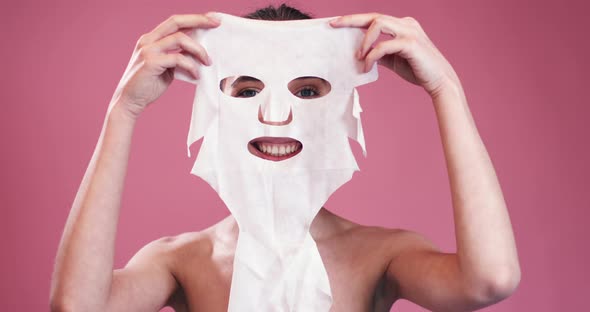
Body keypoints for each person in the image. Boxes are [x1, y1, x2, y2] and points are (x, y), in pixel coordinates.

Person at [50, 4, 520, 312]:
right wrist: (124, 110)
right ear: (216, 107)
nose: (275, 116)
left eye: (309, 91)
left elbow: (491, 280)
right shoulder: (182, 260)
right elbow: (75, 307)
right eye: (248, 88)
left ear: (340, 109)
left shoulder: (380, 255)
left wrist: (445, 89)